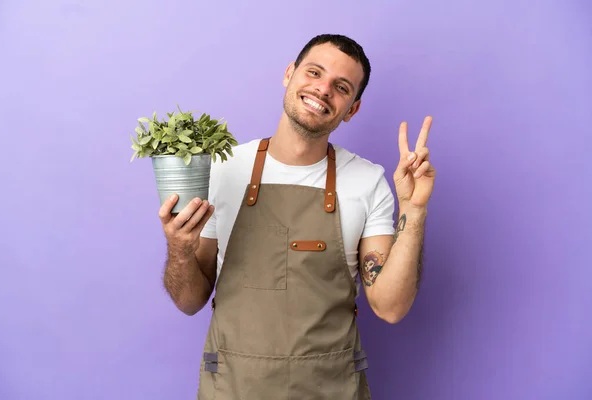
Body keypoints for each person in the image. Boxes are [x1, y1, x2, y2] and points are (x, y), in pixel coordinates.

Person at [158, 33, 435, 399]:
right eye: (314, 72)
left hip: (331, 389)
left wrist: (414, 211)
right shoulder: (223, 169)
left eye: (341, 87)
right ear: (290, 73)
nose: (322, 90)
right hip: (233, 388)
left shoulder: (367, 182)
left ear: (352, 109)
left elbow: (391, 307)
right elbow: (190, 301)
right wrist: (179, 249)